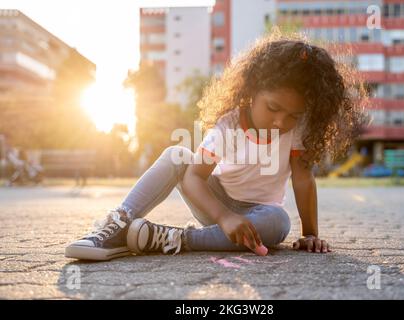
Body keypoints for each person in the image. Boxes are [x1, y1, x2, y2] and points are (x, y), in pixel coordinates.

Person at [65, 31, 369, 261]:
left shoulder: (297, 130)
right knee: (176, 155)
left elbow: (303, 179)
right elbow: (194, 178)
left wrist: (311, 235)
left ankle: (175, 239)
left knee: (278, 222)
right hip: (216, 204)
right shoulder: (229, 126)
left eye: (293, 115)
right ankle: (117, 225)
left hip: (258, 217)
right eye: (273, 107)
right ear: (251, 92)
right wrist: (224, 216)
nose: (280, 121)